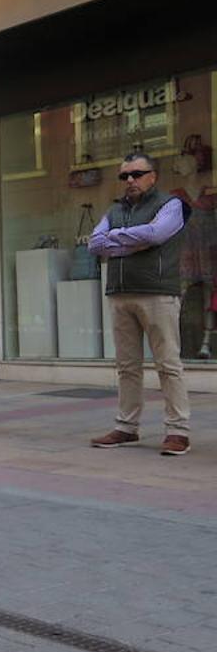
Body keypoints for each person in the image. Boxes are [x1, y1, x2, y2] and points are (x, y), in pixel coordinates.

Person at [89, 153, 192, 455]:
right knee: (127, 367)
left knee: (168, 364)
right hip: (120, 293)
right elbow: (95, 244)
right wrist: (136, 240)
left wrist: (116, 239)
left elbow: (158, 233)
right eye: (124, 176)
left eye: (136, 174)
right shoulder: (114, 208)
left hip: (157, 292)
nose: (130, 180)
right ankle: (126, 427)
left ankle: (178, 431)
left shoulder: (171, 204)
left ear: (153, 176)